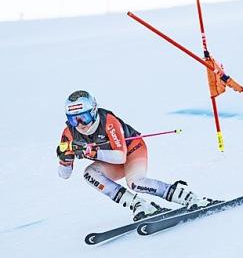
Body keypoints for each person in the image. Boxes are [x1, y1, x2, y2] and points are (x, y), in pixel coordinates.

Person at [56, 90, 220, 221]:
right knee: (89, 174)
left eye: (83, 118)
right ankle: (139, 204)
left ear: (93, 111)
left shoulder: (108, 121)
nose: (80, 125)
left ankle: (188, 197)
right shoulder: (68, 133)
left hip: (132, 150)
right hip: (110, 161)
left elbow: (121, 157)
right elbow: (64, 175)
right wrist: (65, 160)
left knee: (135, 182)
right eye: (73, 120)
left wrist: (93, 152)